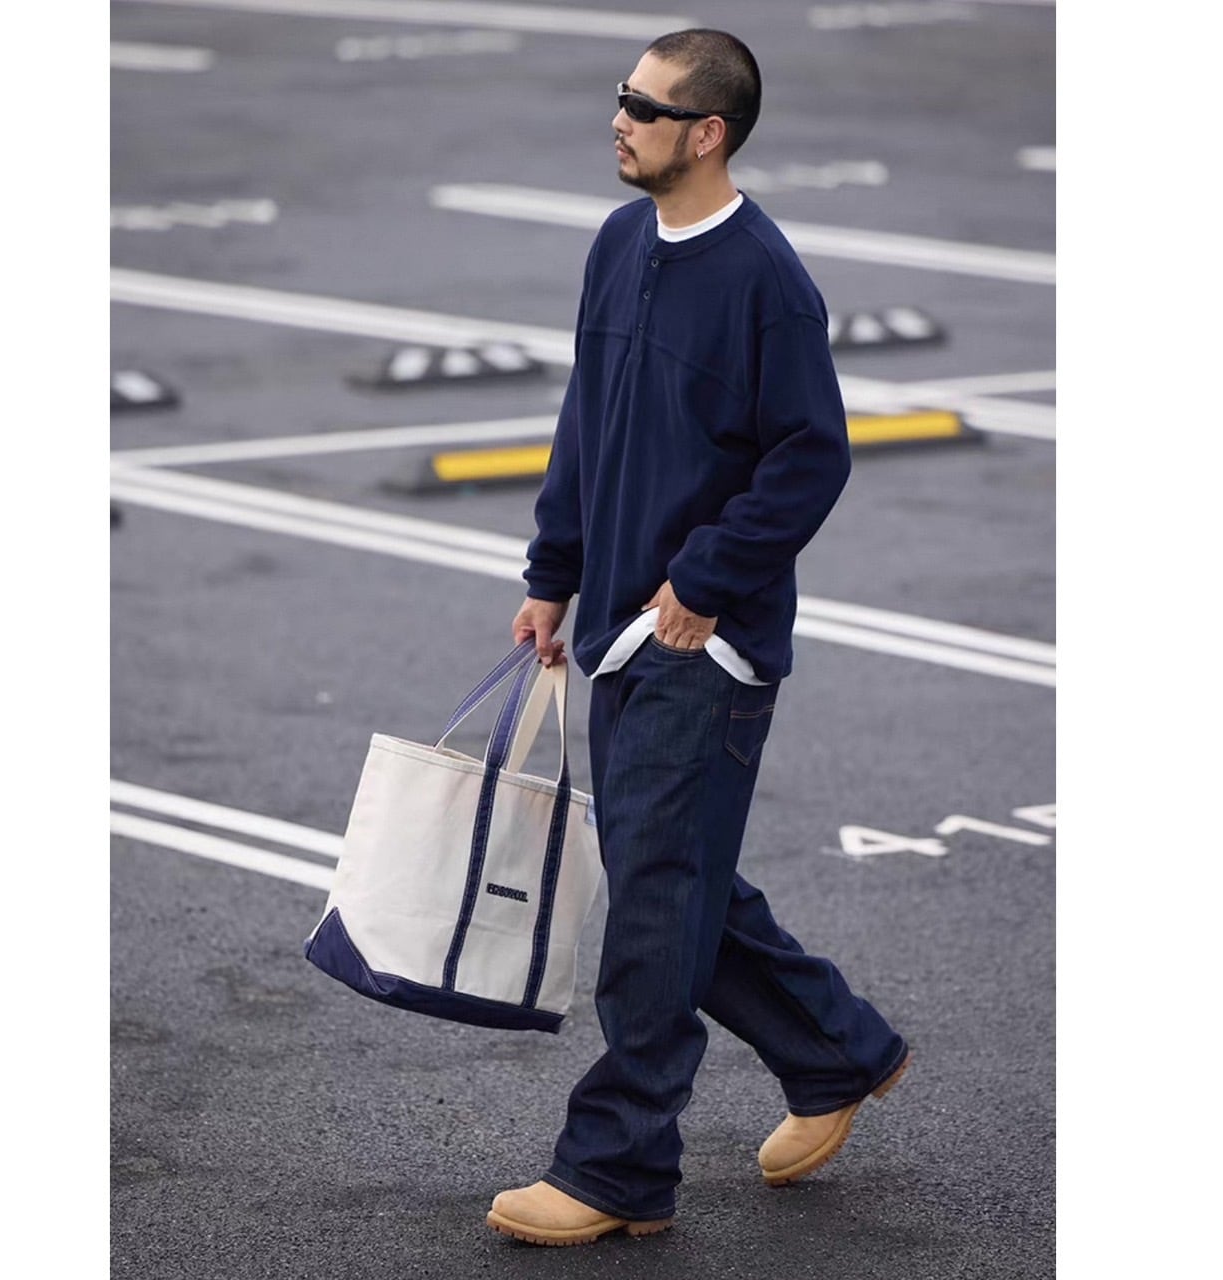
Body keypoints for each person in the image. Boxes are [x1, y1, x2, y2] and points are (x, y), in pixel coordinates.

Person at [491, 29, 911, 1248]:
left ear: (706, 132)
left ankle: (619, 1164)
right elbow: (587, 417)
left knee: (653, 903)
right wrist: (554, 571)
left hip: (700, 645)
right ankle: (834, 1048)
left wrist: (706, 582)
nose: (617, 118)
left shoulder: (765, 281)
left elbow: (808, 458)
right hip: (617, 627)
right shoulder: (618, 242)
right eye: (619, 96)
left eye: (643, 104)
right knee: (670, 879)